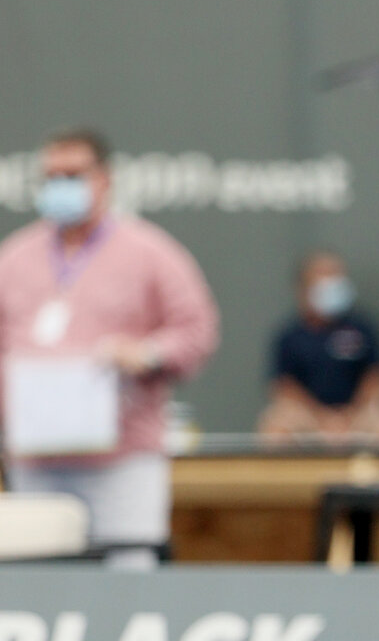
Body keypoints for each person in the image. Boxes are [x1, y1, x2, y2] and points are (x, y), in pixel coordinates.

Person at [0, 127, 218, 567]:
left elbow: (196, 331)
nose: (61, 186)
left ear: (104, 179)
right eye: (51, 177)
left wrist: (147, 353)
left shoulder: (150, 252)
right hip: (35, 460)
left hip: (122, 460)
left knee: (128, 581)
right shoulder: (14, 257)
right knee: (39, 591)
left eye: (73, 175)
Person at [257, 250, 379, 441]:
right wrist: (322, 418)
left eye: (336, 276)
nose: (332, 283)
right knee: (275, 424)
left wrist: (351, 414)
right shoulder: (289, 335)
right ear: (303, 288)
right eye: (323, 276)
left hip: (357, 415)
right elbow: (282, 386)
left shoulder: (362, 327)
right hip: (310, 417)